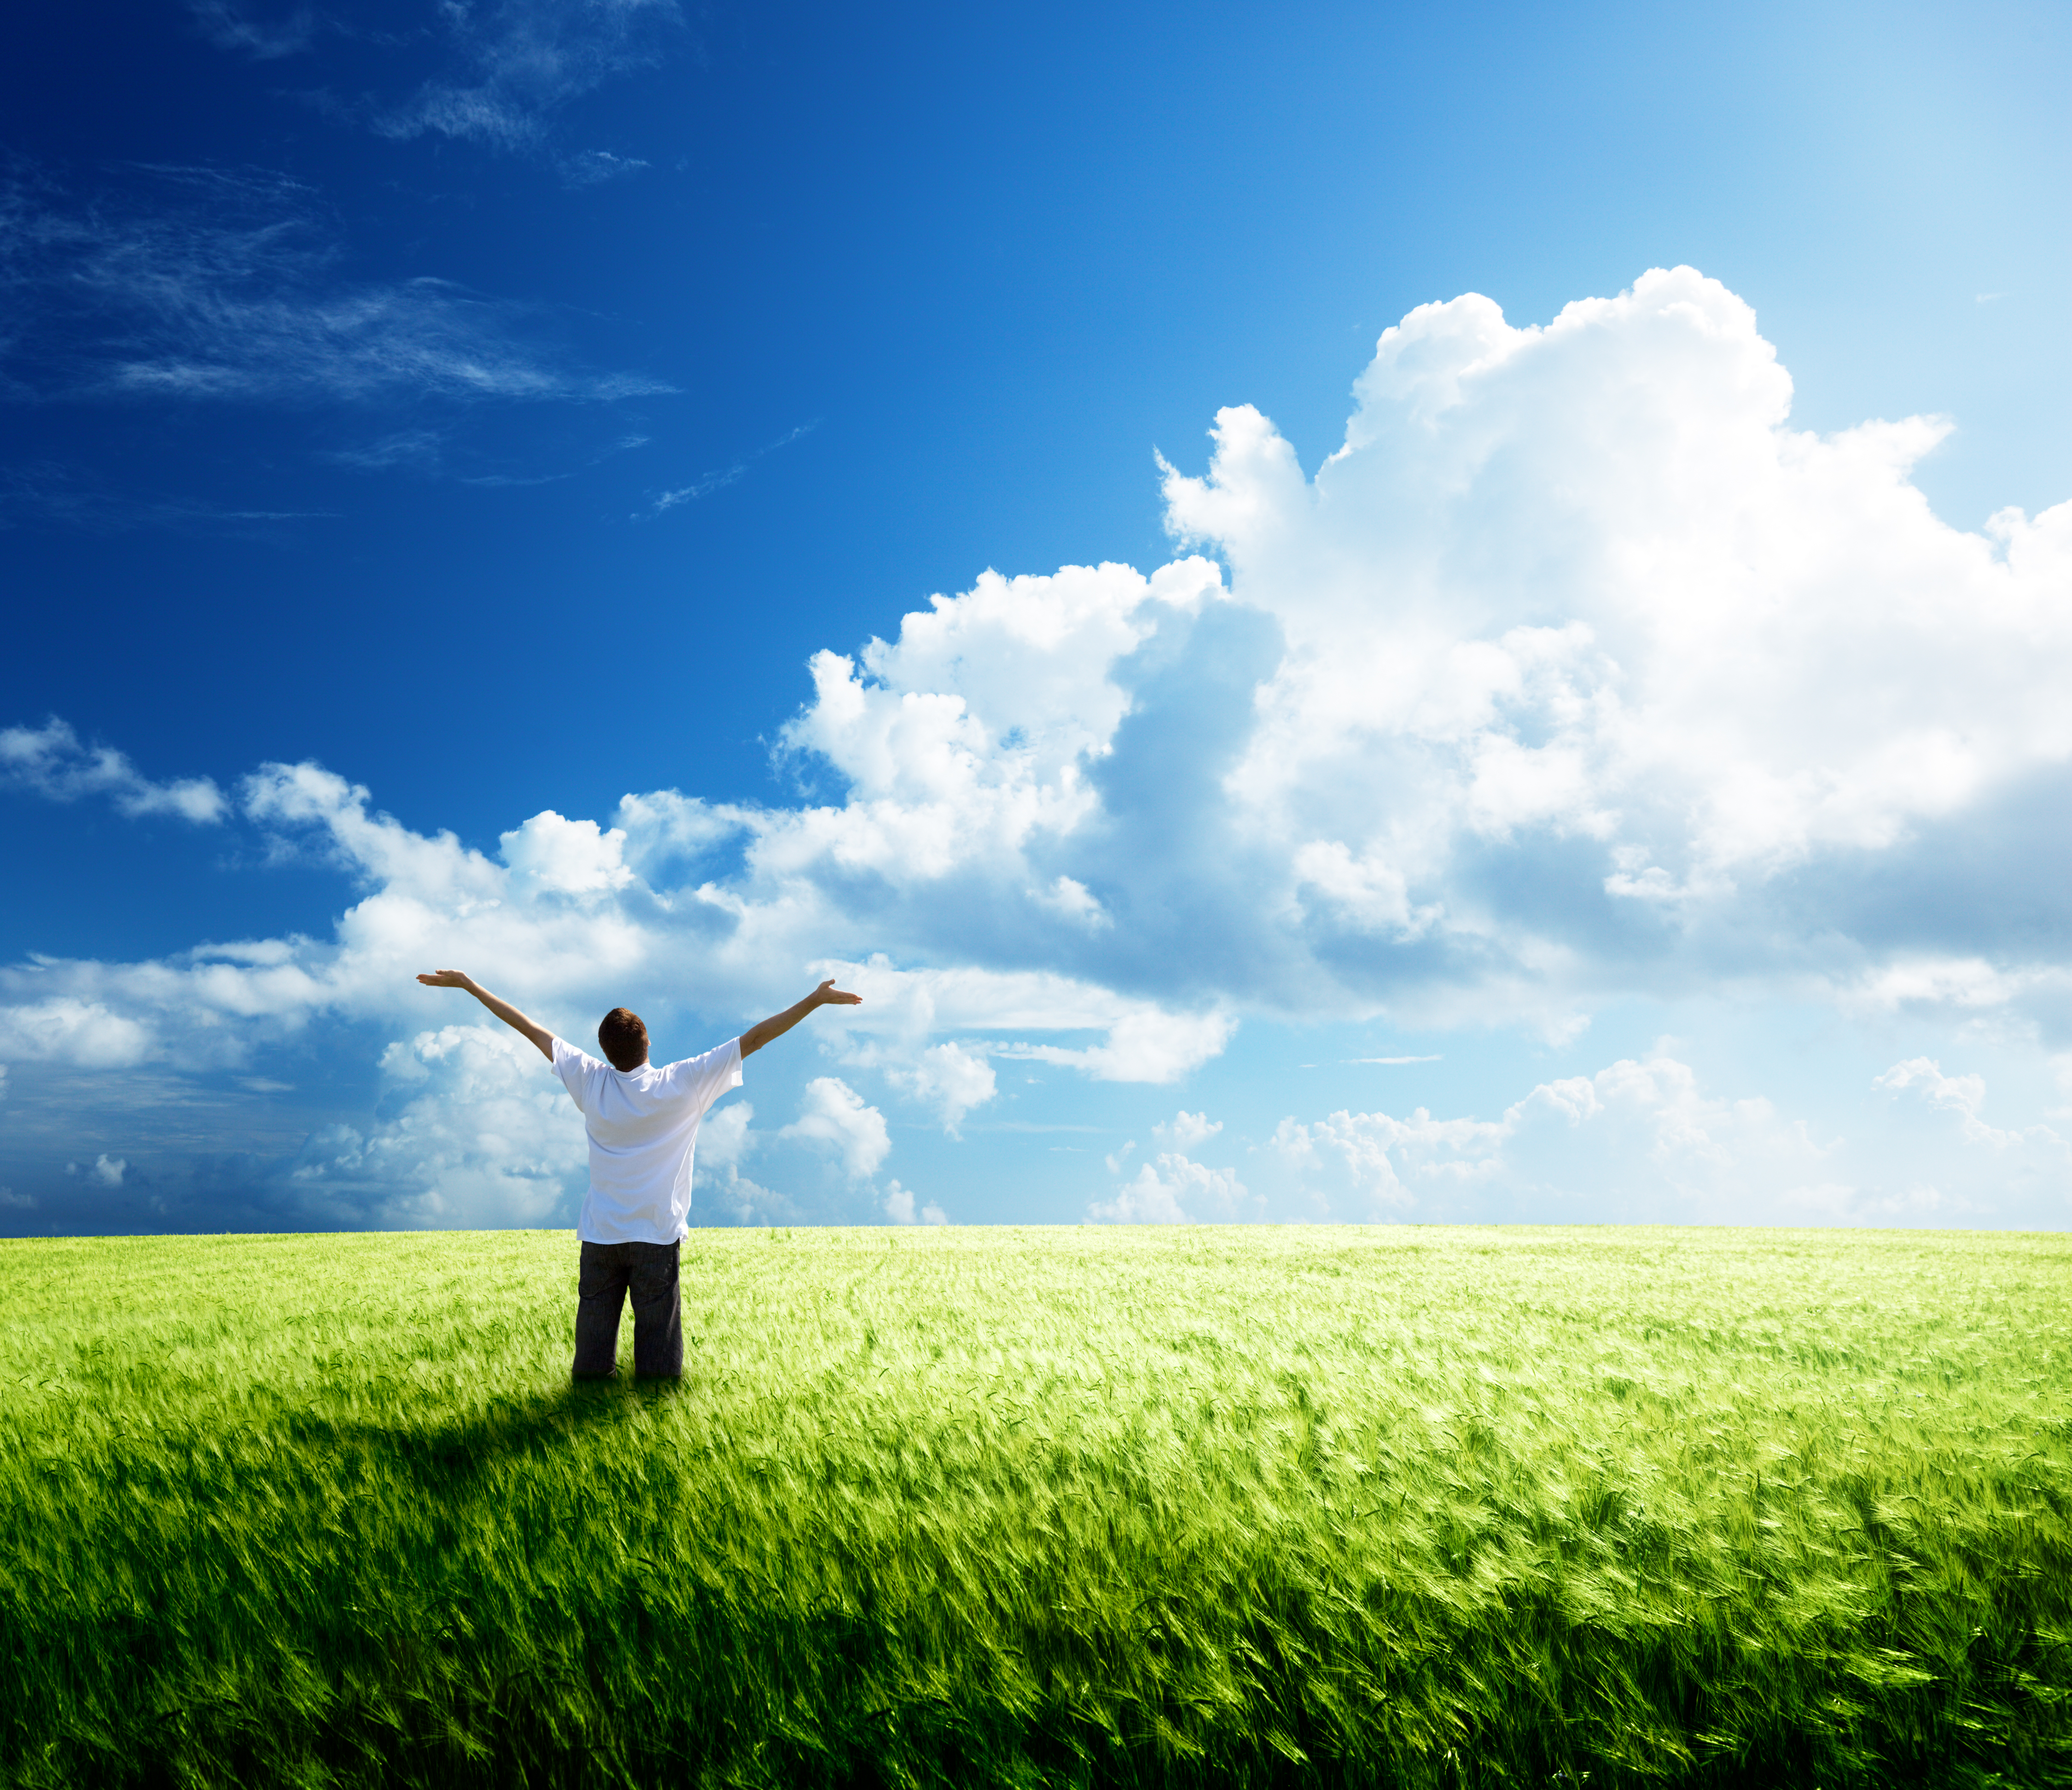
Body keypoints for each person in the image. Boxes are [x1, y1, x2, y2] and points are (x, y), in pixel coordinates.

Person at [415, 968, 861, 1380]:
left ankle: (590, 1398)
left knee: (591, 1359)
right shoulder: (683, 1083)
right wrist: (815, 1000)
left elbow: (531, 1029)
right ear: (647, 1043)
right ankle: (655, 1405)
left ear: (605, 1052)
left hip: (602, 1236)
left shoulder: (590, 1081)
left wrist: (470, 986)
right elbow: (758, 1038)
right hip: (656, 1236)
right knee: (659, 1362)